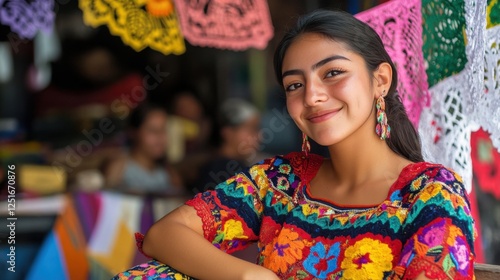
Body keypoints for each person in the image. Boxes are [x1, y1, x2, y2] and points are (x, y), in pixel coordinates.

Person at [114, 10, 475, 279]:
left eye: (332, 73)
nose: (313, 96)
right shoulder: (281, 182)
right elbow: (165, 234)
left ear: (380, 80)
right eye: (294, 85)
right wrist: (251, 276)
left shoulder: (429, 194)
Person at [104, 102, 183, 194]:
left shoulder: (169, 172)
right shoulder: (119, 166)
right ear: (134, 133)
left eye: (163, 130)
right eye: (153, 131)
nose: (160, 138)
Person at [193, 98, 261, 193]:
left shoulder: (230, 166)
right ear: (228, 133)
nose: (259, 136)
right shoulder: (222, 171)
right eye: (252, 129)